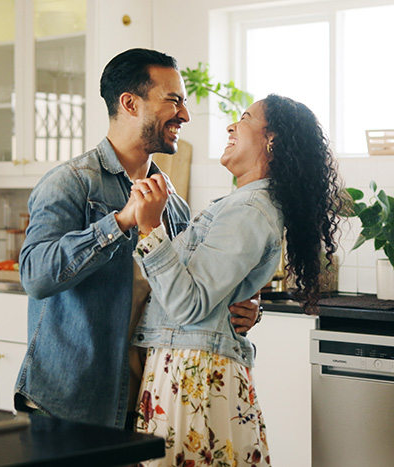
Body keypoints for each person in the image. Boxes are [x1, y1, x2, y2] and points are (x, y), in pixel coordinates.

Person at [13, 48, 261, 429]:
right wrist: (121, 222)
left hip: (146, 403)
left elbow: (183, 297)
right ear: (129, 103)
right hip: (69, 405)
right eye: (173, 100)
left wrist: (240, 309)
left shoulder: (172, 204)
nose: (185, 114)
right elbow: (35, 276)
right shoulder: (72, 183)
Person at [129, 94, 342, 466]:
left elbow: (188, 303)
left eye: (244, 118)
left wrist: (150, 228)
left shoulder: (249, 209)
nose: (231, 125)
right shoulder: (245, 205)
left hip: (191, 373)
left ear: (271, 140)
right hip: (191, 366)